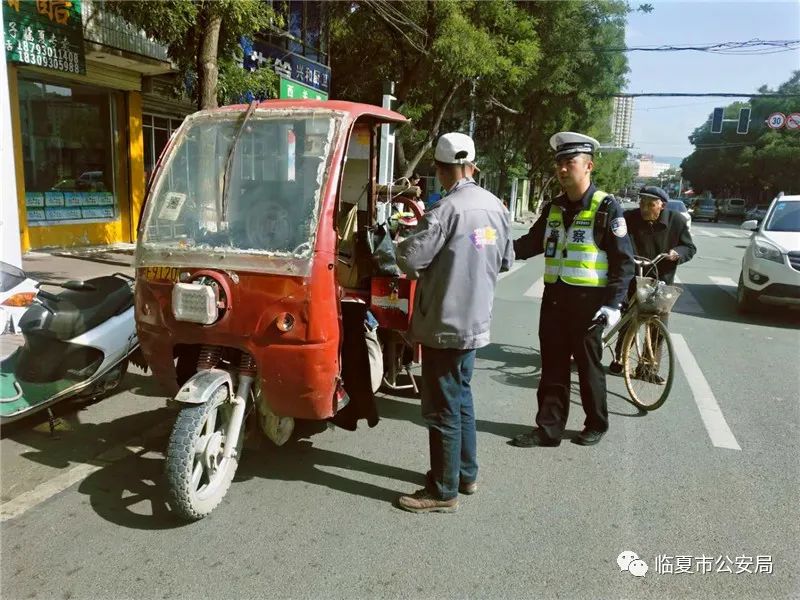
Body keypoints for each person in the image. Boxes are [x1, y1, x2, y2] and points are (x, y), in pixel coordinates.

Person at [395, 132, 513, 513]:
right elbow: (505, 259)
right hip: (475, 322)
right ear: (473, 166)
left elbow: (410, 260)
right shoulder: (496, 206)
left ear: (445, 170)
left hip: (445, 322)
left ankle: (443, 491)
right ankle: (466, 473)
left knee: (442, 408)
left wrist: (395, 244)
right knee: (461, 399)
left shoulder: (446, 210)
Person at [512, 132, 635, 448]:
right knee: (552, 365)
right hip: (554, 298)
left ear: (589, 165)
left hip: (589, 302)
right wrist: (492, 251)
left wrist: (614, 305)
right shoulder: (554, 206)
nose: (563, 169)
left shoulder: (606, 207)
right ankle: (549, 429)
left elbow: (624, 262)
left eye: (570, 162)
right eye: (559, 163)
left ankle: (596, 423)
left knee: (587, 365)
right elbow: (530, 244)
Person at [608, 185, 696, 377]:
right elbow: (616, 238)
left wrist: (677, 253)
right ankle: (620, 358)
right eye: (642, 203)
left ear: (662, 205)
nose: (645, 208)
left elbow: (689, 247)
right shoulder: (629, 218)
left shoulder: (677, 221)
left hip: (660, 280)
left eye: (651, 204)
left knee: (657, 324)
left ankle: (648, 368)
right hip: (633, 274)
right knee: (628, 318)